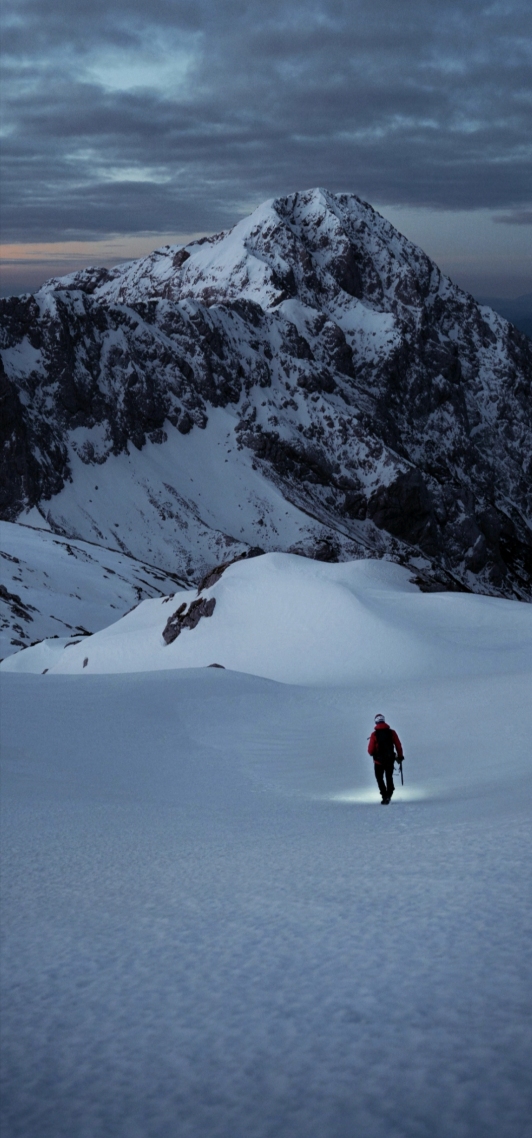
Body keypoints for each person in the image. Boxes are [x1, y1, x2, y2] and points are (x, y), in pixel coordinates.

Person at [368, 714, 403, 804]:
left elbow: (370, 750)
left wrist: (373, 753)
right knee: (389, 777)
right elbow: (398, 745)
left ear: (376, 722)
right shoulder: (392, 732)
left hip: (378, 761)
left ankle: (384, 795)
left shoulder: (374, 734)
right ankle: (389, 793)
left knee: (379, 778)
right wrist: (400, 756)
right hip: (390, 759)